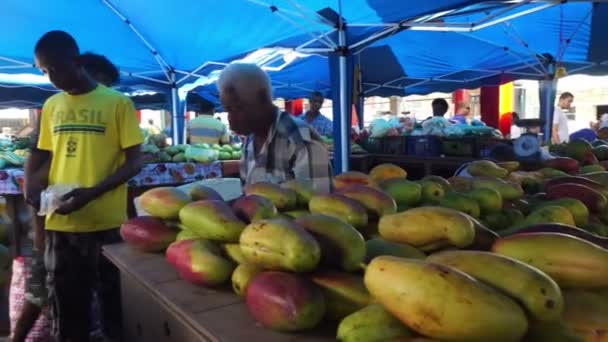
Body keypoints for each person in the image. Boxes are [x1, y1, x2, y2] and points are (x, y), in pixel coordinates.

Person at [29, 30, 143, 342]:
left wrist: (91, 193)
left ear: (76, 60)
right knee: (67, 310)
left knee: (116, 307)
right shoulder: (52, 105)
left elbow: (135, 161)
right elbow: (40, 152)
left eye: (57, 67)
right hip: (63, 223)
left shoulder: (118, 103)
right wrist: (30, 184)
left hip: (108, 223)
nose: (53, 77)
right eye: (44, 71)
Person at [14, 52, 121, 342]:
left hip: (96, 227)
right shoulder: (57, 114)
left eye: (109, 87)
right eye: (102, 83)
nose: (104, 92)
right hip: (56, 230)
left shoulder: (108, 113)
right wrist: (40, 231)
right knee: (43, 295)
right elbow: (35, 176)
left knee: (105, 298)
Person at [217, 63, 331, 192]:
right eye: (227, 110)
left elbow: (319, 202)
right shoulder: (250, 138)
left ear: (262, 98)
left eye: (238, 108)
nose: (231, 119)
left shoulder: (301, 139)